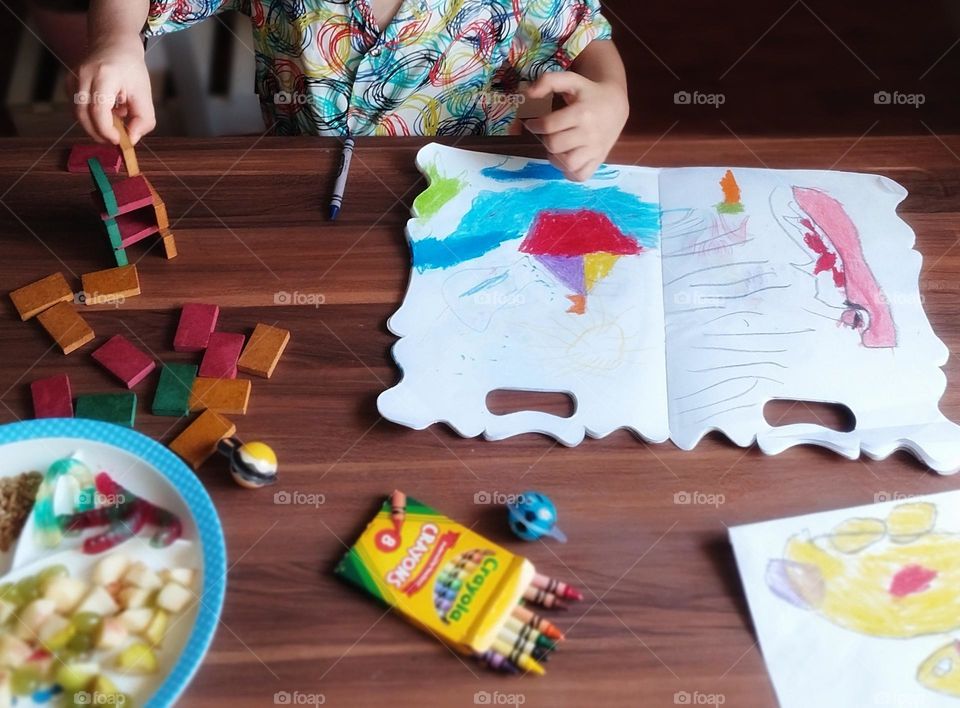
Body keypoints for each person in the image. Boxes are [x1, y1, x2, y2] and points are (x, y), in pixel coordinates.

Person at [74, 0, 629, 181]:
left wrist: (611, 95)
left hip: (463, 189)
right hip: (302, 184)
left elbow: (586, 35)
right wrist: (116, 38)